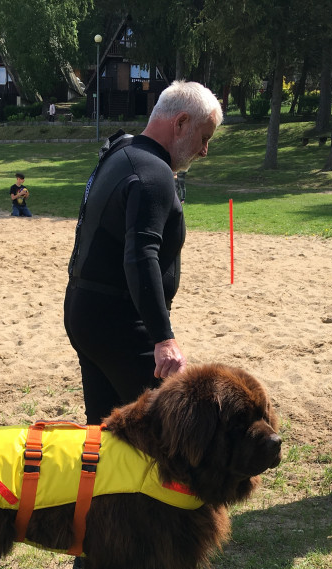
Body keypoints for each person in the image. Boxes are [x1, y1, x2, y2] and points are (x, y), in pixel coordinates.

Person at [64, 80, 222, 426]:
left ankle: (111, 483)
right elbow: (140, 255)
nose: (204, 150)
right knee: (167, 431)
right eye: (204, 137)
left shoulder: (120, 153)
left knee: (105, 433)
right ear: (180, 123)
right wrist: (164, 338)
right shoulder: (153, 173)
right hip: (119, 321)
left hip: (85, 311)